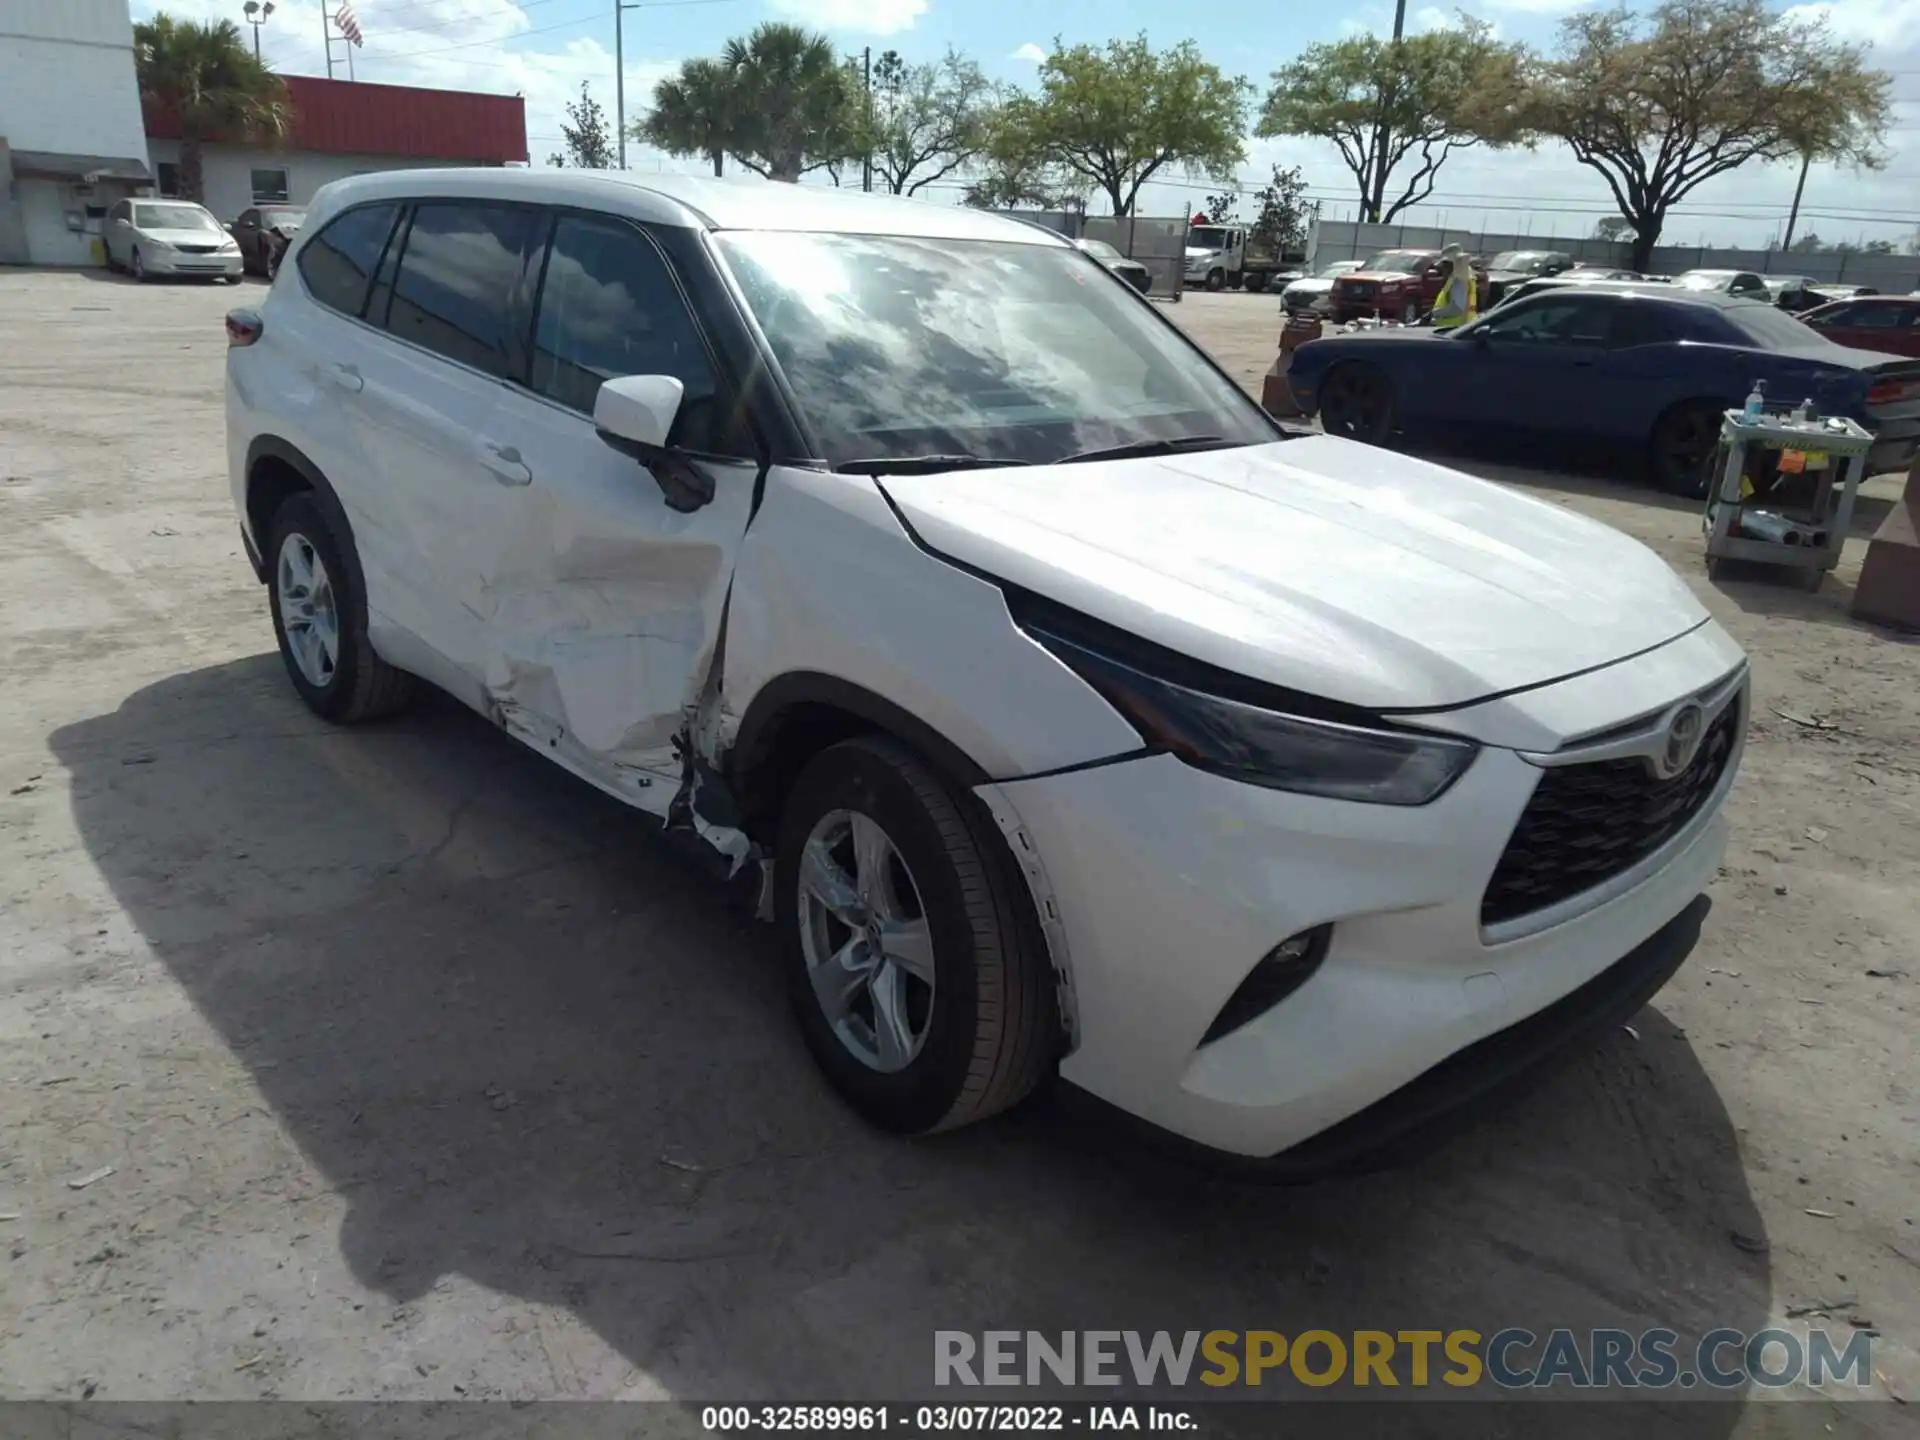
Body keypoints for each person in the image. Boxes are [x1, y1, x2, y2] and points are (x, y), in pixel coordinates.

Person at [1429, 243, 1477, 330]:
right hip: (1462, 328)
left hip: (1453, 330)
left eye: (1444, 265)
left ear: (1451, 264)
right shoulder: (1466, 277)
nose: (1442, 270)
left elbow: (1457, 308)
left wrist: (1434, 313)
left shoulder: (1459, 280)